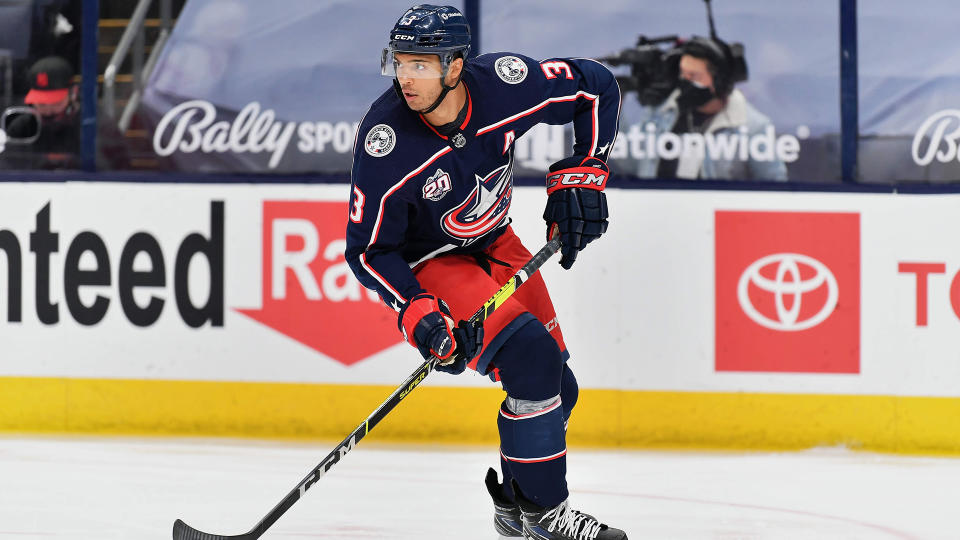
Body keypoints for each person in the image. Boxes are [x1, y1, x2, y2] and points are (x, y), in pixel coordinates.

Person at [345, 5, 627, 540]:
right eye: (400, 63)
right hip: (432, 263)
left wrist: (585, 174)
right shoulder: (386, 142)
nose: (407, 77)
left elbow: (596, 86)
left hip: (497, 242)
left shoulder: (504, 85)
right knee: (532, 362)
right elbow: (367, 250)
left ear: (455, 66)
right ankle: (546, 518)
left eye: (422, 64)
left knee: (555, 389)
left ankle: (517, 508)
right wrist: (419, 312)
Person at [634, 36, 787, 181]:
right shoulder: (661, 112)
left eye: (694, 76)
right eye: (682, 74)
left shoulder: (753, 127)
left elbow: (776, 187)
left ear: (719, 81)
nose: (684, 83)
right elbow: (632, 165)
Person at [2, 55, 80, 169]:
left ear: (73, 93)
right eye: (41, 104)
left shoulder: (91, 127)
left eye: (56, 103)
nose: (48, 111)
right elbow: (8, 166)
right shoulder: (21, 128)